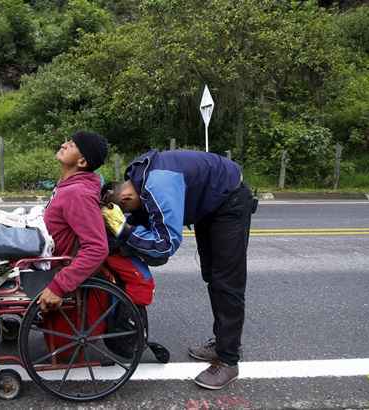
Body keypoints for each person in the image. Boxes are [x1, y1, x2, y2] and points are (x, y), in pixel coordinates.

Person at [101, 149, 256, 390]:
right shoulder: (137, 177)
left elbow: (164, 246)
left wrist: (125, 231)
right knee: (213, 276)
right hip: (209, 203)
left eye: (127, 210)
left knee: (226, 282)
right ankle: (223, 341)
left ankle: (228, 360)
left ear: (126, 198)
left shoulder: (156, 186)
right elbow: (145, 220)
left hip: (230, 201)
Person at [38, 131, 109, 313]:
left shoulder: (77, 193)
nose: (64, 145)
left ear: (82, 162)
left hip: (48, 265)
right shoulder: (67, 185)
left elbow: (97, 248)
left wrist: (59, 286)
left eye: (72, 145)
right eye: (67, 141)